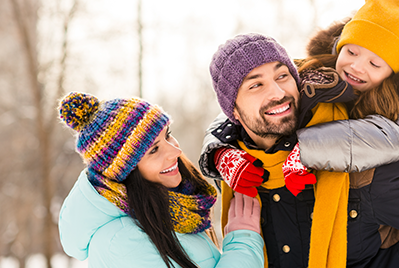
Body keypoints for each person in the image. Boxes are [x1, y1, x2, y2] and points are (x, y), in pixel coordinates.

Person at [200, 0, 399, 268]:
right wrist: (218, 152)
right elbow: (231, 119)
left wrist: (303, 151)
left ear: (392, 74)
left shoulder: (392, 126)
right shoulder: (312, 85)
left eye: (375, 64)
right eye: (351, 53)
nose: (357, 67)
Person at [57, 92, 264, 268]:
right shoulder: (122, 245)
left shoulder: (168, 213)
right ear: (125, 173)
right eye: (154, 150)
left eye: (168, 136)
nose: (176, 151)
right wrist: (242, 242)